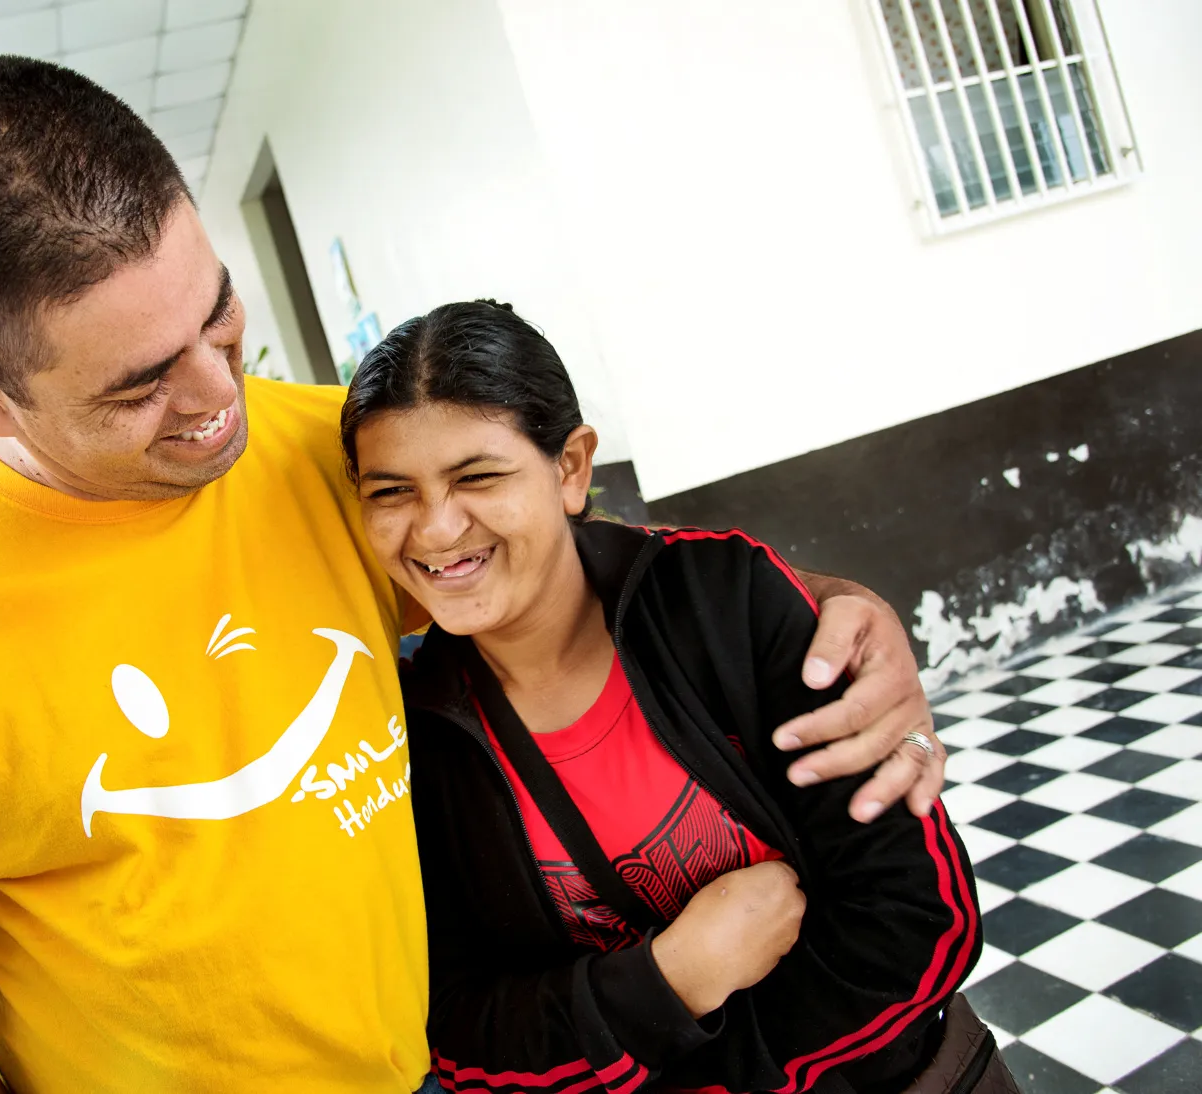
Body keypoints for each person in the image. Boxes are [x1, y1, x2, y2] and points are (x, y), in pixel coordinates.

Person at [0, 59, 946, 1093]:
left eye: (216, 315)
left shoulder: (327, 453)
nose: (212, 398)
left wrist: (844, 610)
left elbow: (583, 562)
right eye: (140, 381)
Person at [341, 301, 1000, 1094]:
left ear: (571, 467)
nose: (437, 529)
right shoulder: (410, 736)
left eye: (478, 476)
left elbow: (917, 917)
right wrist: (668, 981)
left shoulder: (724, 604)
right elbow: (464, 1027)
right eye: (392, 493)